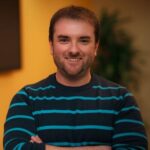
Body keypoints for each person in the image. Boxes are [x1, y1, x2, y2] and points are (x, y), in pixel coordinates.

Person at [3, 5, 148, 150]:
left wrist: (45, 148)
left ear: (96, 47)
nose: (73, 50)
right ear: (51, 46)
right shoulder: (27, 98)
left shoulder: (121, 99)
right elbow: (14, 147)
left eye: (83, 40)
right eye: (64, 40)